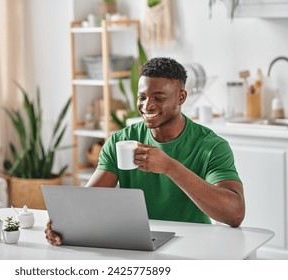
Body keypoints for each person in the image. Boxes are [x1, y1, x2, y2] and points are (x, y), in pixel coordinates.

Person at [45, 57, 245, 246]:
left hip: (193, 244)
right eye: (142, 97)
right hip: (137, 243)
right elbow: (89, 201)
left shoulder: (211, 146)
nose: (147, 105)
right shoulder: (120, 141)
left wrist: (169, 167)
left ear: (181, 97)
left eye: (158, 98)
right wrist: (64, 224)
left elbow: (235, 214)